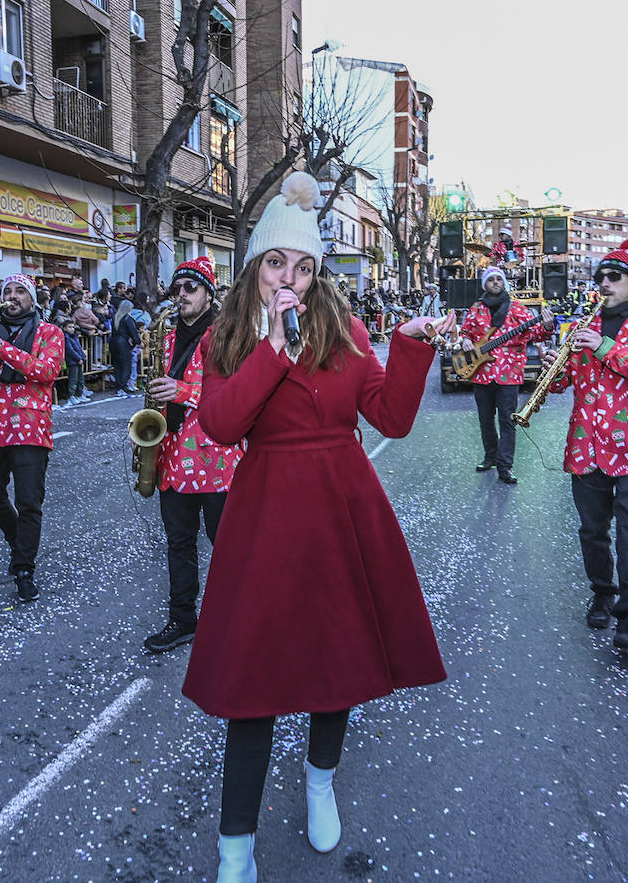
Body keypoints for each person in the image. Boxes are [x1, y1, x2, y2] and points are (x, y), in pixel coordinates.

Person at [182, 172, 453, 881]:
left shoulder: (347, 327)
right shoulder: (228, 336)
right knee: (255, 682)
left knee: (339, 665)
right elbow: (218, 425)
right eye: (278, 263)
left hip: (341, 504)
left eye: (304, 267)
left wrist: (410, 346)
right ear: (254, 267)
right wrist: (272, 349)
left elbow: (389, 417)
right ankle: (234, 847)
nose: (291, 279)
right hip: (267, 509)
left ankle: (320, 782)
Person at [543, 239, 628, 652]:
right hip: (587, 443)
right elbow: (562, 382)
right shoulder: (581, 325)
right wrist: (552, 364)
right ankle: (602, 591)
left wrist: (603, 347)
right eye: (600, 276)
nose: (604, 283)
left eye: (613, 276)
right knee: (592, 530)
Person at [141, 257, 244, 654]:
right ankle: (182, 619)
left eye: (190, 287)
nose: (180, 294)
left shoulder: (229, 335)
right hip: (170, 458)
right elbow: (155, 391)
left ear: (208, 293)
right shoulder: (164, 338)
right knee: (178, 544)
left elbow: (238, 393)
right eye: (177, 287)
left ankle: (238, 616)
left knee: (227, 543)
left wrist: (183, 392)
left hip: (217, 462)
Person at [0, 274, 65, 602]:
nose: (12, 296)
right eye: (7, 291)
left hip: (29, 427)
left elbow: (48, 372)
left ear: (32, 298)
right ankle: (18, 539)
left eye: (19, 290)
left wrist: (5, 350)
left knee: (28, 502)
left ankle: (24, 567)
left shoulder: (49, 332)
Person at [457, 266, 554, 484]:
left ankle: (505, 466)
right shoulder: (476, 309)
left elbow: (536, 334)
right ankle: (490, 457)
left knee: (507, 420)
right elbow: (465, 331)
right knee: (485, 419)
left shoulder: (518, 309)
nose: (495, 283)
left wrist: (547, 326)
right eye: (490, 280)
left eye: (498, 279)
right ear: (485, 284)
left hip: (509, 374)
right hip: (481, 372)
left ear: (503, 283)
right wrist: (465, 340)